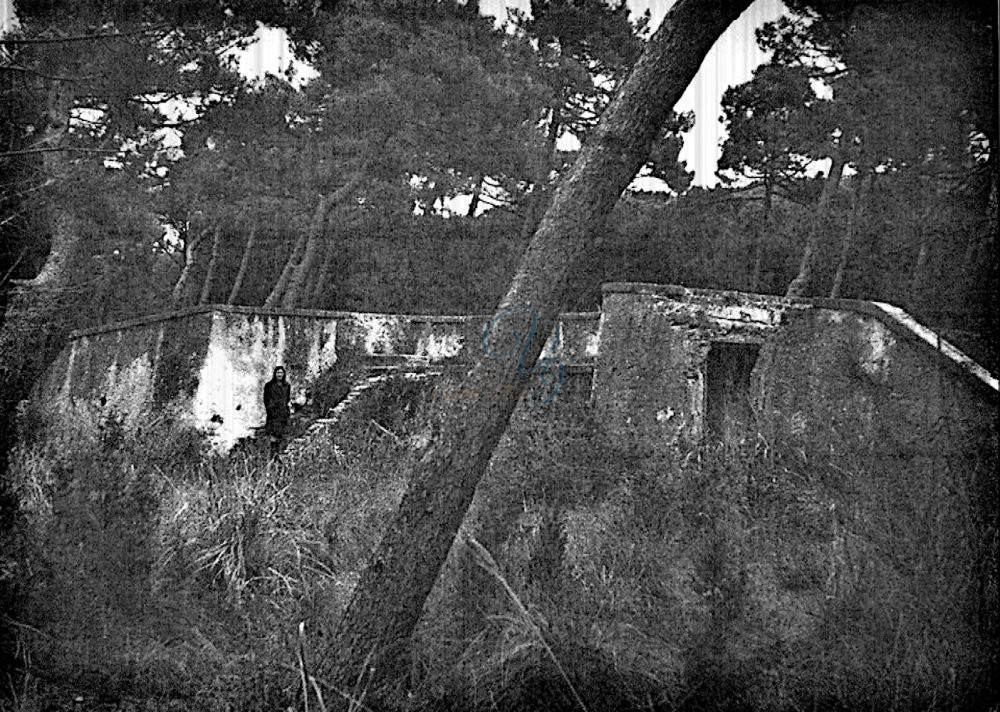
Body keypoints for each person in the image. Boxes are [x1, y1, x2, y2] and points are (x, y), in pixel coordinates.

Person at [263, 366, 292, 459]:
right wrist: (270, 409)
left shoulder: (287, 385)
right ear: (275, 374)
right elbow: (266, 399)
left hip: (283, 413)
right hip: (273, 414)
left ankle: (280, 455)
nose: (279, 375)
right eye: (278, 373)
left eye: (281, 373)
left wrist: (286, 410)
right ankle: (273, 455)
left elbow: (287, 398)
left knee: (282, 435)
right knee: (273, 435)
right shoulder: (269, 385)